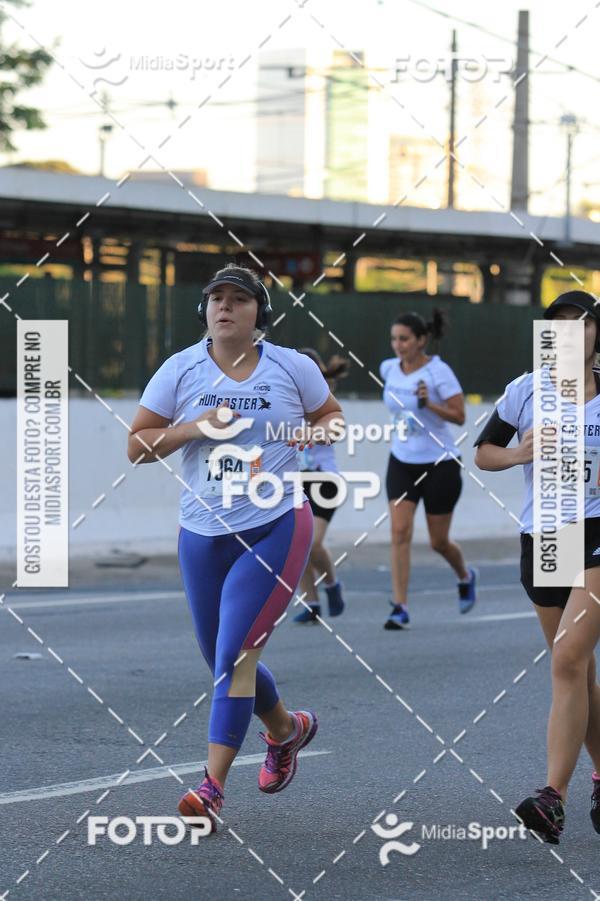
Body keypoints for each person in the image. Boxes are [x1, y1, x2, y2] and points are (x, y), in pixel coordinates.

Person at [127, 263, 344, 831]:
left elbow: (332, 417)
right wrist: (193, 428)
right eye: (215, 298)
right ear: (205, 310)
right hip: (201, 534)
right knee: (222, 656)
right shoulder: (181, 370)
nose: (224, 307)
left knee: (235, 658)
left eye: (238, 300)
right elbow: (138, 445)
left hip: (276, 524)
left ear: (258, 314)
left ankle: (212, 787)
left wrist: (316, 432)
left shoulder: (291, 366)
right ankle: (286, 730)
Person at [475, 290, 600, 845]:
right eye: (559, 325)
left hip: (596, 533)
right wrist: (520, 454)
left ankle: (553, 796)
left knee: (569, 657)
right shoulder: (526, 390)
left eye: (582, 323)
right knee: (578, 674)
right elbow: (483, 453)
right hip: (546, 537)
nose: (570, 333)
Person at [380, 309, 477, 630]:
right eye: (394, 339)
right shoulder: (389, 369)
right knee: (399, 532)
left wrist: (428, 405)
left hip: (440, 464)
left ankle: (464, 575)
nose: (398, 345)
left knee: (438, 542)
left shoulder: (439, 372)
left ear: (421, 340)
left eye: (404, 339)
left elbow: (459, 416)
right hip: (402, 461)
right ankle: (400, 606)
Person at [293, 349, 349, 623]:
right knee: (296, 543)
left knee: (312, 542)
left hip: (324, 480)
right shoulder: (286, 397)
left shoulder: (321, 399)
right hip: (296, 481)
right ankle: (311, 603)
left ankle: (332, 585)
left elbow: (334, 431)